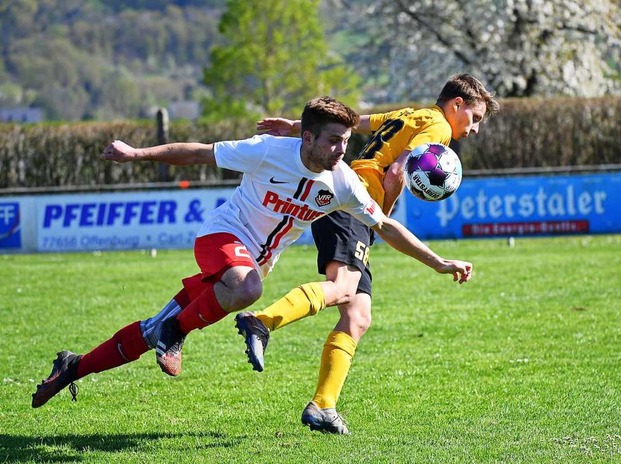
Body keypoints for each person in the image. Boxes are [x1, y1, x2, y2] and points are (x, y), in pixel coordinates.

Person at [31, 97, 473, 430]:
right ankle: (178, 331)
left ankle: (74, 365)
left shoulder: (344, 184)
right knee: (246, 291)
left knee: (154, 330)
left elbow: (387, 227)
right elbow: (199, 152)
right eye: (333, 140)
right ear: (307, 138)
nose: (342, 150)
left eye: (345, 140)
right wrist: (137, 154)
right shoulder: (267, 150)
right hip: (222, 239)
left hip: (250, 265)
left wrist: (436, 261)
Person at [236, 73, 499, 434]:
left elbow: (356, 123)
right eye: (475, 118)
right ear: (456, 105)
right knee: (343, 287)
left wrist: (297, 126)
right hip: (355, 199)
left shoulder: (414, 114)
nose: (474, 129)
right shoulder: (438, 129)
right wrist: (387, 206)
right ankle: (262, 321)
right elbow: (396, 172)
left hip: (346, 196)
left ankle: (323, 405)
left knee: (358, 314)